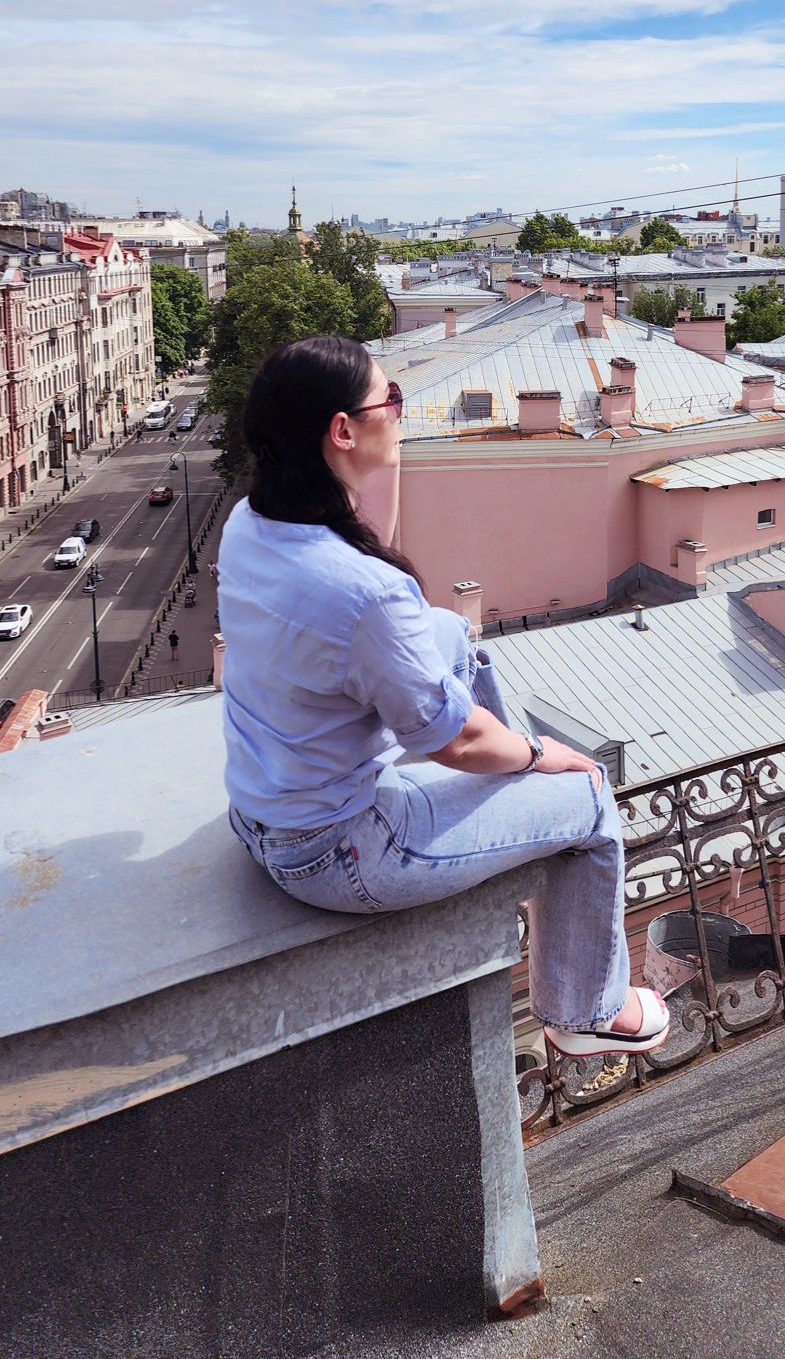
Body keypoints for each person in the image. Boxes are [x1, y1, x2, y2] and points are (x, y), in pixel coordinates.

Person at [218, 336, 669, 1060]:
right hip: (345, 852)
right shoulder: (363, 595)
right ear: (341, 430)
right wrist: (538, 753)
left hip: (261, 813)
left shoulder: (254, 524)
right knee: (589, 798)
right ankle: (587, 1009)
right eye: (389, 403)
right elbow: (448, 742)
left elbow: (368, 544)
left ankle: (509, 807)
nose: (400, 414)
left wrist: (387, 451)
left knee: (453, 636)